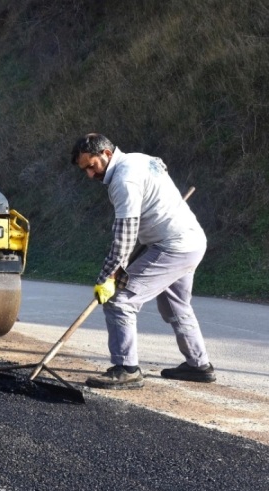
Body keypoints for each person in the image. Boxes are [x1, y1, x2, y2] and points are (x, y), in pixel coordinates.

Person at [70, 133, 216, 390]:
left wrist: (108, 276)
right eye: (85, 170)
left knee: (119, 300)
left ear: (105, 154)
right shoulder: (141, 160)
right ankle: (199, 366)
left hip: (172, 246)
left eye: (91, 166)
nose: (90, 175)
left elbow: (124, 237)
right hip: (191, 241)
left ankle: (126, 369)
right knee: (176, 305)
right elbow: (161, 167)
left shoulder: (123, 181)